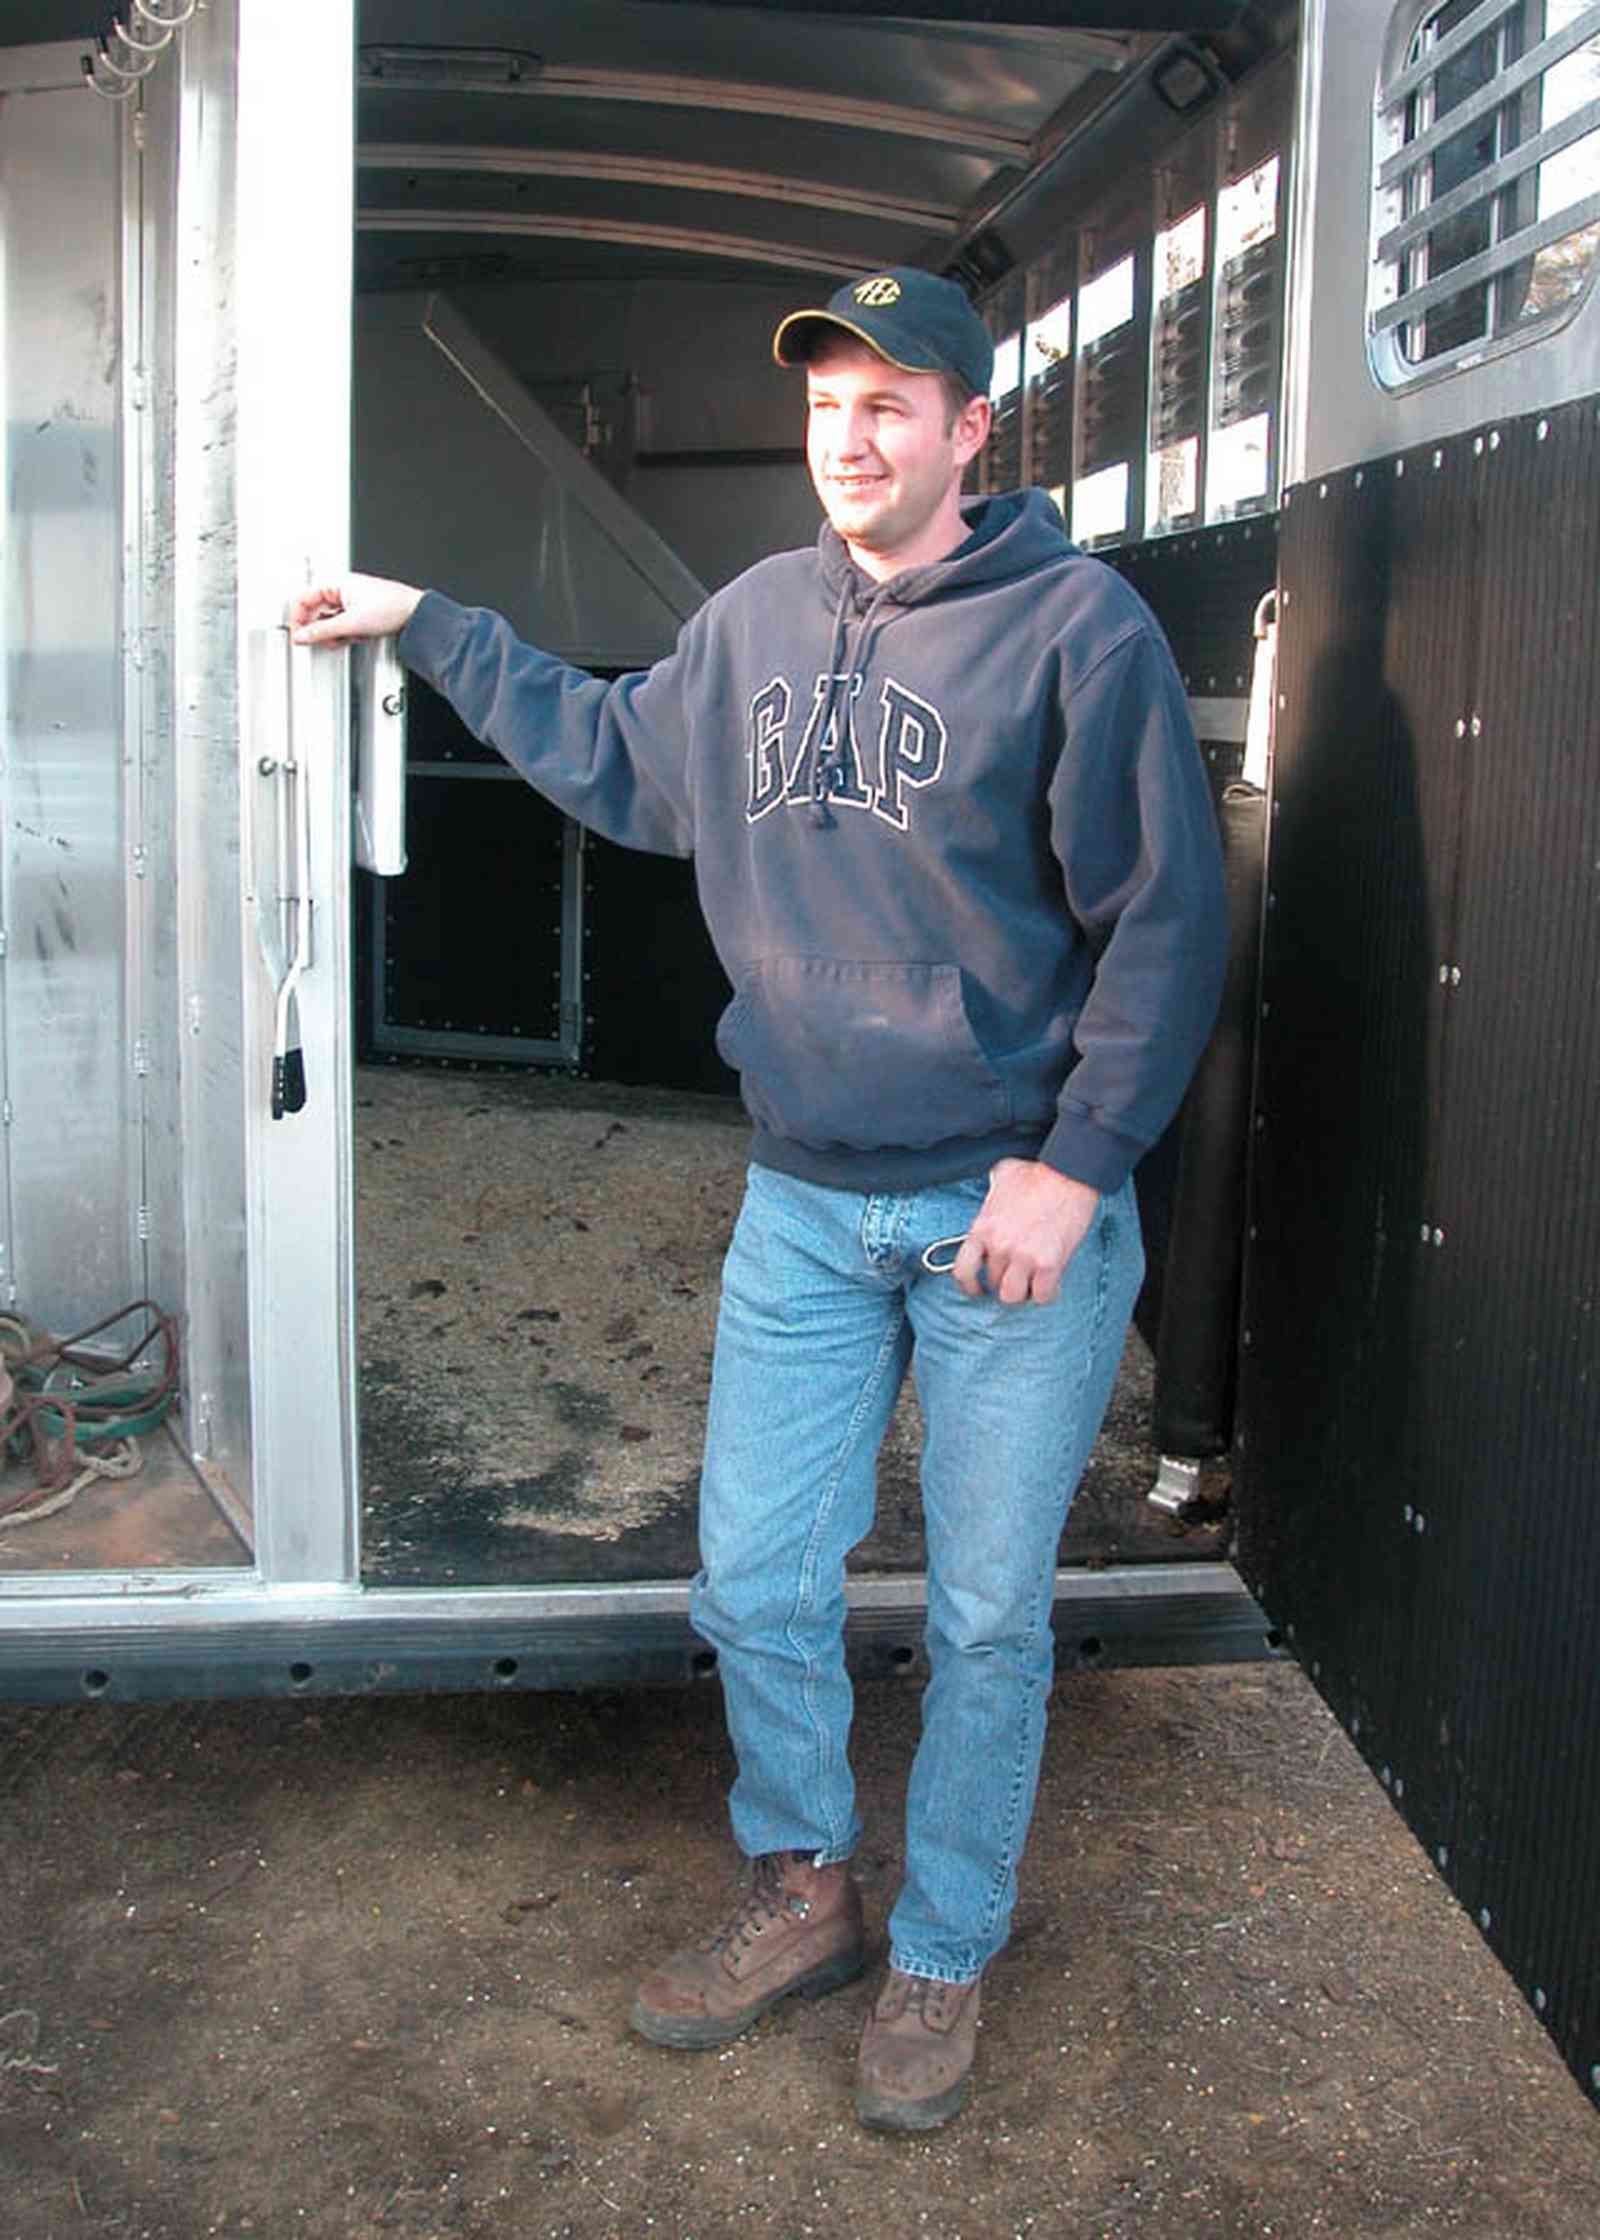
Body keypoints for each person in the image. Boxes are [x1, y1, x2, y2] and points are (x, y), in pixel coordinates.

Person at [292, 266, 1228, 2133]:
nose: (852, 436)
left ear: (972, 430)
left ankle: (945, 1949)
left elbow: (1167, 927)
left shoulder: (1076, 630)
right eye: (828, 404)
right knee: (757, 1585)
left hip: (1004, 1217)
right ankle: (806, 1888)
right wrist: (431, 627)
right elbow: (625, 763)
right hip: (803, 1203)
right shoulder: (752, 624)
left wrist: (1076, 1167)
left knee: (980, 1617)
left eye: (895, 404)